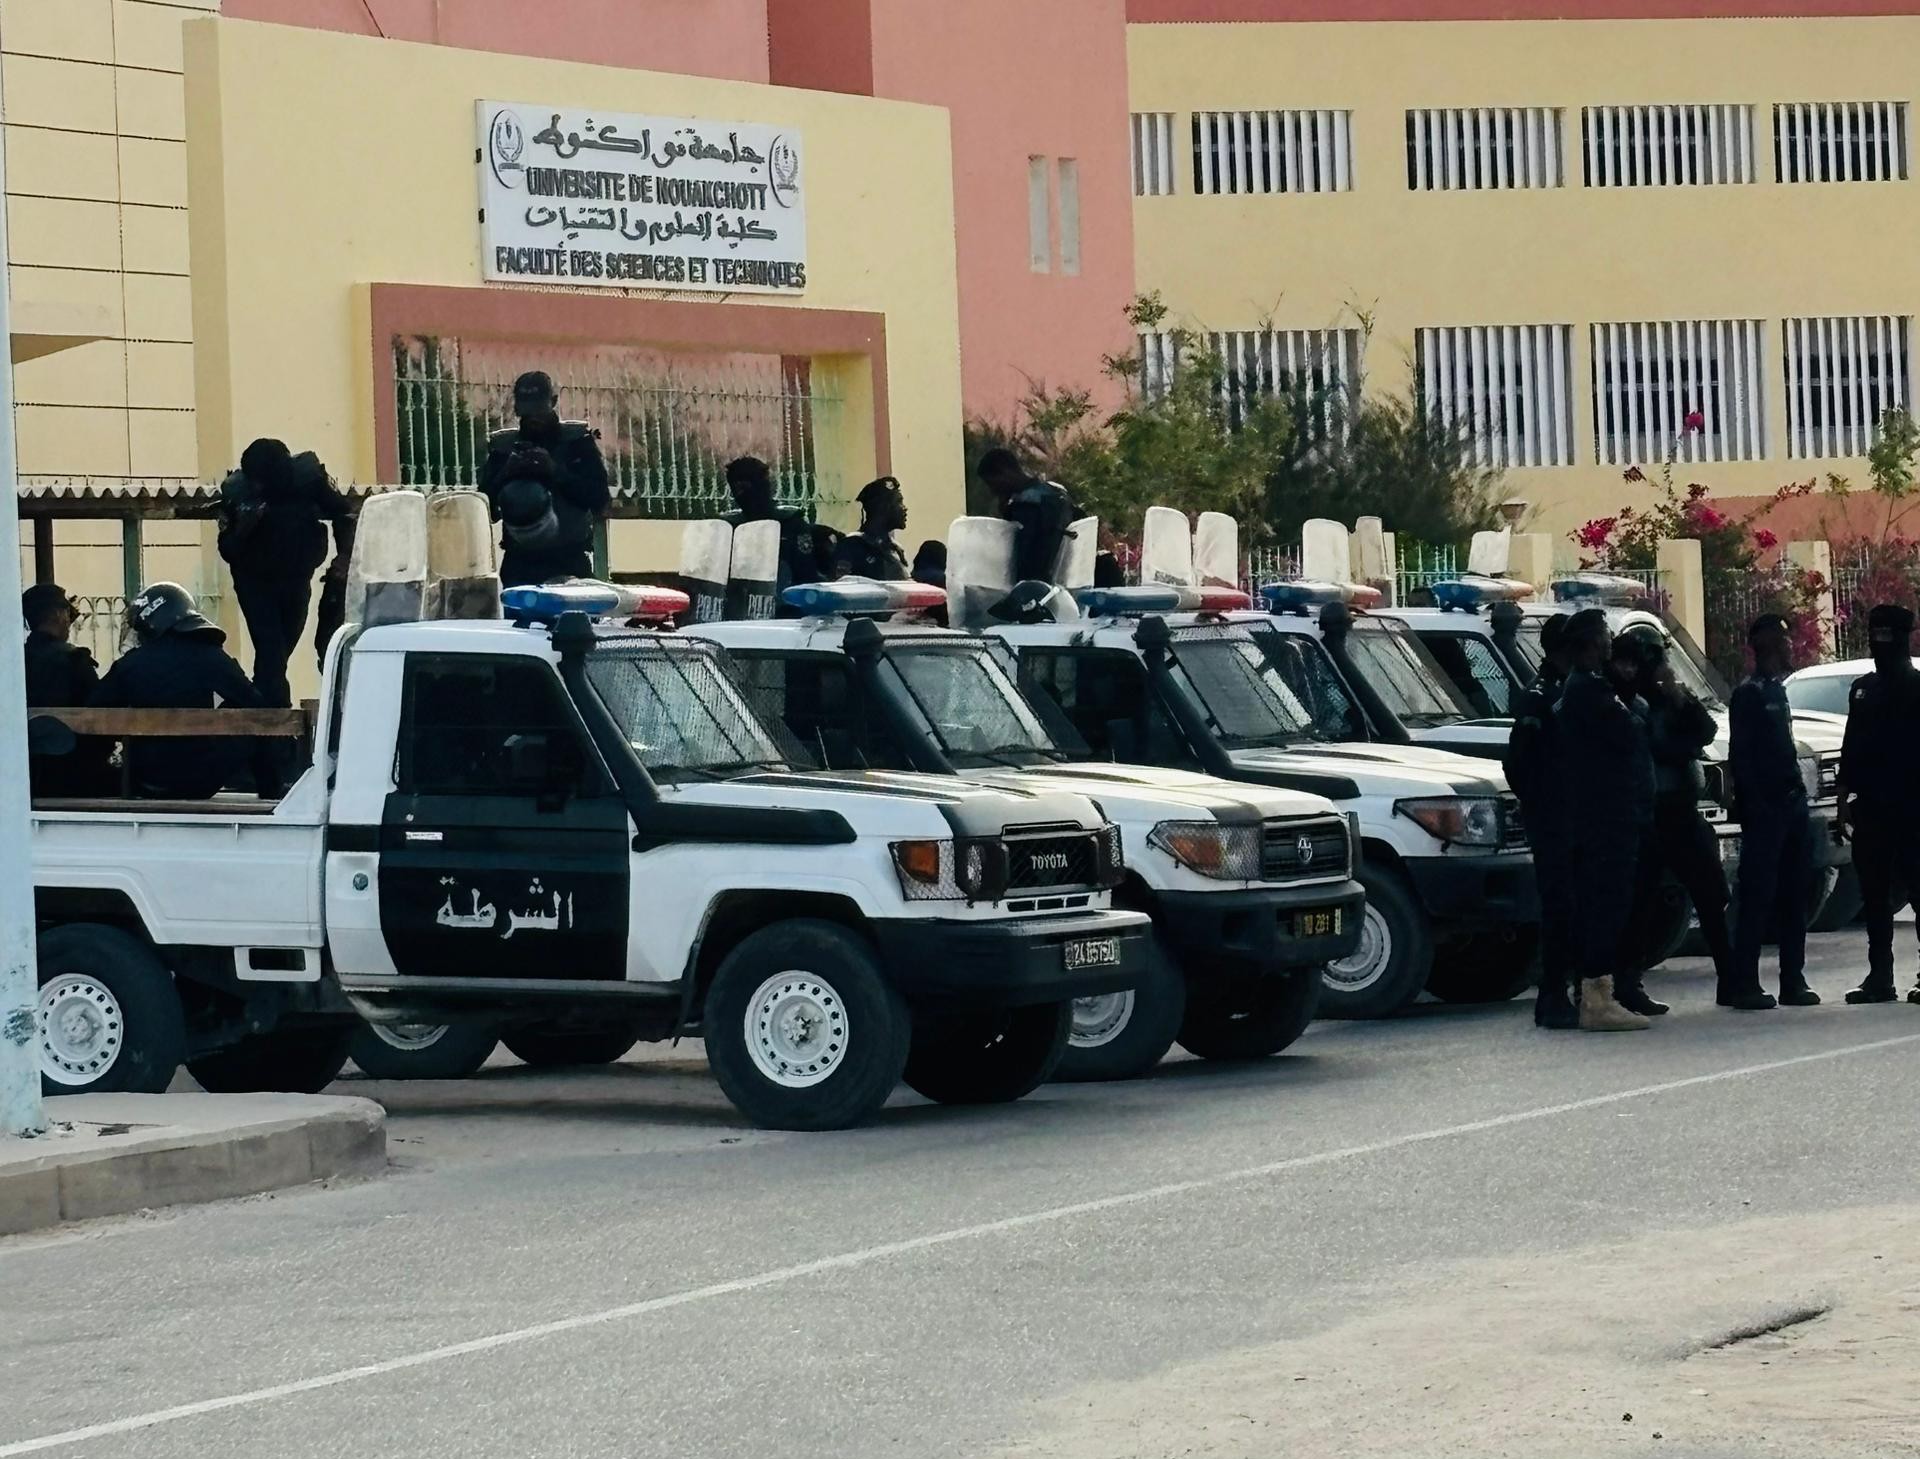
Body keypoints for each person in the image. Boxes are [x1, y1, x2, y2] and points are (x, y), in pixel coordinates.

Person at [1617, 628, 1735, 995]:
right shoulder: (1631, 702)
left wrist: (1679, 697)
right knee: (1640, 902)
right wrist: (1684, 745)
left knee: (1712, 895)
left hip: (1683, 812)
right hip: (1653, 814)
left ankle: (1731, 979)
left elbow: (1706, 729)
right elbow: (1656, 746)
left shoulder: (1668, 698)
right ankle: (1628, 984)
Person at [1552, 608, 1654, 1031]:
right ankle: (1596, 997)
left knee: (1607, 903)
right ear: (1592, 643)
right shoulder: (1588, 691)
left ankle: (1596, 991)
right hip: (1603, 817)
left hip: (1607, 814)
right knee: (1604, 904)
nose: (1611, 642)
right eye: (1605, 636)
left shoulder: (1592, 686)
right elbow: (1630, 733)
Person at [90, 582, 265, 801]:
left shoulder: (129, 664)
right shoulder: (210, 655)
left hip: (144, 779)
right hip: (202, 779)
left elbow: (95, 708)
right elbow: (255, 702)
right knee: (250, 716)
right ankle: (270, 788)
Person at [218, 439, 353, 707]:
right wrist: (244, 528)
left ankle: (255, 705)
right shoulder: (238, 491)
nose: (257, 487)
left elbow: (343, 513)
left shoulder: (308, 479)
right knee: (271, 651)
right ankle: (275, 713)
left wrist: (344, 557)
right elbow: (227, 548)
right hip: (254, 580)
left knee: (279, 652)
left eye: (261, 481)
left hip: (296, 577)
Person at [1728, 613, 1818, 1009]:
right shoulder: (1748, 694)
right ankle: (1745, 982)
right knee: (1758, 896)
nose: (1788, 647)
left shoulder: (1778, 691)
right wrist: (1757, 807)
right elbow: (1742, 758)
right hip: (1766, 809)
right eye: (1781, 641)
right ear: (1763, 645)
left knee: (1795, 895)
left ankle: (1792, 980)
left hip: (1791, 803)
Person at [1836, 603, 1920, 1005]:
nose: (1878, 644)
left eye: (1886, 636)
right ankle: (1880, 976)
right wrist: (1842, 797)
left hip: (1913, 806)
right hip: (1871, 807)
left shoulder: (1917, 688)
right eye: (1874, 635)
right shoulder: (1863, 689)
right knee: (1874, 894)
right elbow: (1851, 746)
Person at [1504, 613, 1576, 1028]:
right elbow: (1520, 761)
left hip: (1571, 816)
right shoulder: (1541, 694)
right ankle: (1552, 995)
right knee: (1559, 907)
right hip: (1552, 819)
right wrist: (1543, 804)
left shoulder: (1571, 687)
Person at [478, 371, 611, 588]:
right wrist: (506, 473)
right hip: (520, 562)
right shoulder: (504, 448)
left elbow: (599, 498)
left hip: (569, 560)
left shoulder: (576, 443)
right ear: (517, 409)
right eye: (528, 412)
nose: (534, 418)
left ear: (553, 402)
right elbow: (483, 510)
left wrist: (555, 471)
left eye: (539, 410)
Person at [22, 583, 112, 797]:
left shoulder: (16, 661)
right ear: (56, 614)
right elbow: (100, 716)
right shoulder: (74, 660)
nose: (69, 622)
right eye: (67, 613)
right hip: (75, 775)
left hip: (26, 774)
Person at [724, 455, 828, 603]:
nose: (741, 494)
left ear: (762, 486)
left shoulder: (790, 523)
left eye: (746, 487)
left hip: (786, 607)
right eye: (736, 488)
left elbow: (806, 573)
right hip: (740, 606)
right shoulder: (730, 527)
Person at [977, 448, 1075, 584]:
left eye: (992, 483)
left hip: (1031, 585)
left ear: (1005, 473)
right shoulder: (1056, 493)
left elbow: (1020, 559)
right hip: (1057, 583)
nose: (992, 491)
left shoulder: (1026, 504)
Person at [833, 477, 910, 581]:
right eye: (899, 502)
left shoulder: (896, 549)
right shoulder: (851, 546)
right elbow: (842, 584)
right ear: (883, 507)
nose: (904, 508)